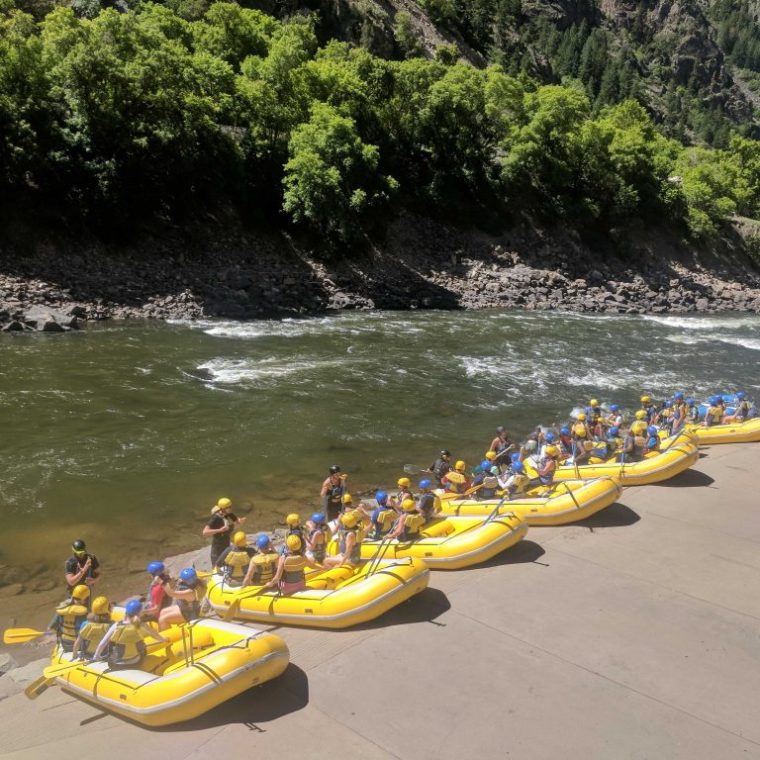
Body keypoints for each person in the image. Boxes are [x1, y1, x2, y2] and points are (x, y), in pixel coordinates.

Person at [95, 600, 168, 670]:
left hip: (115, 664)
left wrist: (97, 656)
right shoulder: (142, 625)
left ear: (126, 612)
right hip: (134, 663)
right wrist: (164, 639)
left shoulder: (116, 625)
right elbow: (154, 635)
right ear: (140, 613)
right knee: (141, 647)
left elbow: (102, 643)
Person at [203, 498, 245, 569]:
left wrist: (240, 521)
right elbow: (205, 532)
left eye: (231, 506)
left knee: (226, 563)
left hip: (226, 543)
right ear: (223, 509)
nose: (231, 508)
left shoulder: (229, 514)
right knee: (216, 566)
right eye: (229, 507)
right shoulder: (215, 518)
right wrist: (220, 530)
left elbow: (237, 521)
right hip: (217, 546)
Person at [49, 584, 90, 653]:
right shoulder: (84, 613)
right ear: (85, 599)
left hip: (65, 644)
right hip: (79, 646)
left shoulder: (62, 610)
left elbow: (51, 628)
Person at [72, 596, 112, 660]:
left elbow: (78, 642)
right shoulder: (110, 626)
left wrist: (74, 654)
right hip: (103, 655)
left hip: (87, 655)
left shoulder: (85, 624)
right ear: (108, 609)